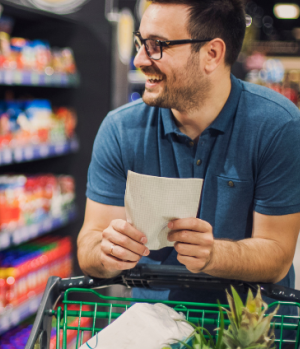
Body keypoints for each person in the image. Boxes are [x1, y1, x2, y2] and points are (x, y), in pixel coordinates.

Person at [77, 0, 300, 305]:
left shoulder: (277, 126)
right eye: (141, 43)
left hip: (251, 335)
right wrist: (105, 250)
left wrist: (214, 254)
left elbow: (277, 256)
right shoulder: (120, 129)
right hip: (151, 334)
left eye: (157, 46)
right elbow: (89, 244)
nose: (140, 59)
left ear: (212, 54)